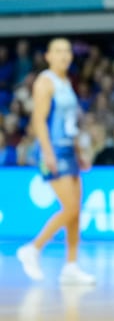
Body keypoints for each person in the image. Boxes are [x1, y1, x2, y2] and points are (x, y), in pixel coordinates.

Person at [16, 37, 95, 285]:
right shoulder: (45, 82)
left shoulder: (66, 83)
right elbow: (39, 120)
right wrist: (48, 153)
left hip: (69, 151)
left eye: (67, 51)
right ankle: (33, 249)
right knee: (69, 208)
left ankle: (71, 266)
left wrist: (79, 153)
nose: (64, 55)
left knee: (75, 212)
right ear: (48, 56)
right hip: (53, 152)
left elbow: (69, 124)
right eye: (58, 51)